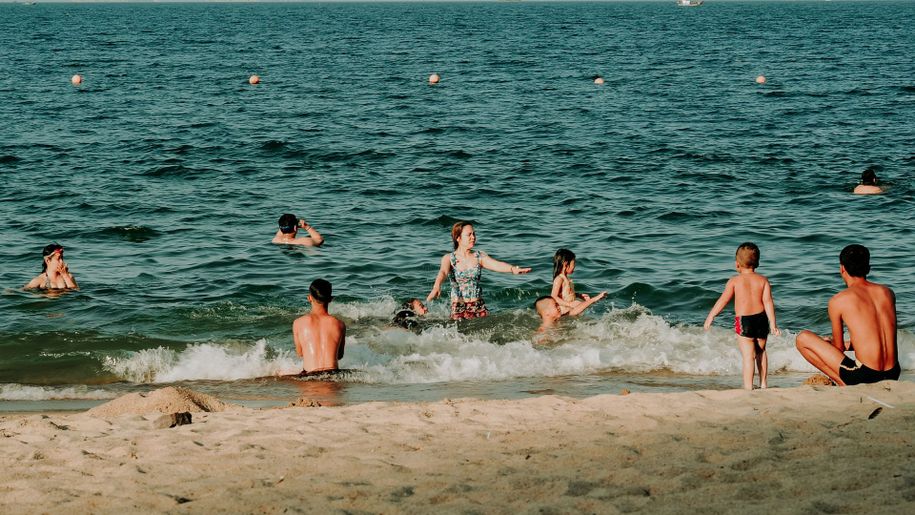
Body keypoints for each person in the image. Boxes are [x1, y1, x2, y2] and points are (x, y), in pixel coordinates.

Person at [796, 245, 899, 386]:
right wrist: (843, 344)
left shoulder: (838, 301)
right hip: (893, 373)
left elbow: (839, 349)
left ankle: (842, 383)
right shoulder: (887, 293)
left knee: (802, 338)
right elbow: (875, 338)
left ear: (842, 268)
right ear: (868, 267)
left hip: (865, 375)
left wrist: (830, 344)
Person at [704, 243, 780, 390]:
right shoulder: (763, 280)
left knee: (748, 356)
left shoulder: (734, 281)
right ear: (757, 263)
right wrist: (773, 324)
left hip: (744, 321)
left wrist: (711, 316)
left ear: (737, 264)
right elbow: (768, 302)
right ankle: (763, 384)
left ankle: (748, 386)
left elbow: (723, 300)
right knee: (761, 352)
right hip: (762, 319)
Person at [427, 221, 531, 320]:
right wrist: (436, 286)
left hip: (478, 306)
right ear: (458, 238)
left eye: (474, 234)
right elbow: (443, 272)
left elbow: (496, 264)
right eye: (469, 235)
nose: (473, 237)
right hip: (458, 308)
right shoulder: (449, 258)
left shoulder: (478, 256)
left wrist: (512, 269)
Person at [292, 279, 345, 375]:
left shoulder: (298, 323)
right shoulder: (339, 324)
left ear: (309, 298)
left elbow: (300, 353)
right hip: (333, 375)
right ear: (331, 299)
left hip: (309, 376)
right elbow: (340, 355)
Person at [551, 248, 605, 315]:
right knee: (584, 305)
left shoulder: (566, 278)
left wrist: (579, 295)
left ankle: (594, 299)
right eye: (574, 263)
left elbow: (565, 294)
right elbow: (553, 297)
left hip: (569, 310)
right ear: (566, 264)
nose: (575, 266)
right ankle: (595, 299)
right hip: (564, 312)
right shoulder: (559, 278)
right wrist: (569, 304)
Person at [534, 292, 607, 332]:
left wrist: (594, 299)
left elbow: (576, 310)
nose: (559, 307)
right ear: (547, 312)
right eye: (555, 305)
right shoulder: (543, 330)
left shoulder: (559, 319)